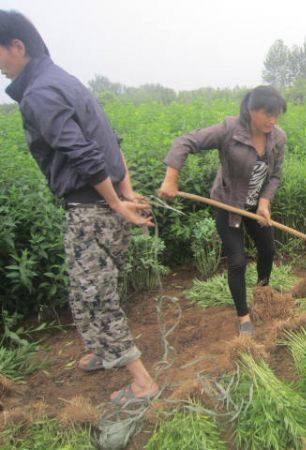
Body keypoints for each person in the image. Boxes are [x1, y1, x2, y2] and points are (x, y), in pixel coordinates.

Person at [0, 10, 158, 405]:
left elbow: (85, 154)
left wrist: (118, 204)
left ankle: (142, 383)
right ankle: (105, 353)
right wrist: (126, 192)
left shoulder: (39, 93)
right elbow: (110, 140)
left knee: (94, 297)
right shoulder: (66, 81)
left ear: (17, 46)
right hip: (104, 206)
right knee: (87, 288)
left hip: (91, 212)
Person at [159, 86, 287, 336]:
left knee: (268, 250)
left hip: (255, 206)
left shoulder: (278, 137)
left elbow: (275, 176)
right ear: (251, 110)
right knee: (238, 261)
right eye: (268, 114)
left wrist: (264, 202)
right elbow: (185, 142)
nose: (273, 120)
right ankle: (243, 316)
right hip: (228, 204)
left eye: (277, 115)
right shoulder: (229, 131)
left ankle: (263, 294)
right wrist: (171, 179)